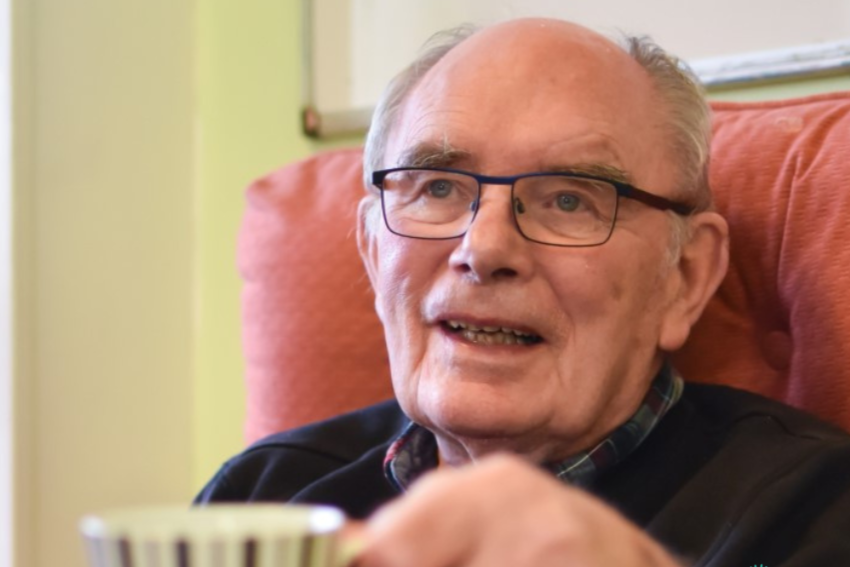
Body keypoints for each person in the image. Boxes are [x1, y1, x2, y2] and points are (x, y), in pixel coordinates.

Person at [196, 18, 850, 566]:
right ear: (372, 251)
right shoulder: (263, 498)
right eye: (439, 188)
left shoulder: (813, 509)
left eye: (569, 199)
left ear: (685, 277)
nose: (483, 250)